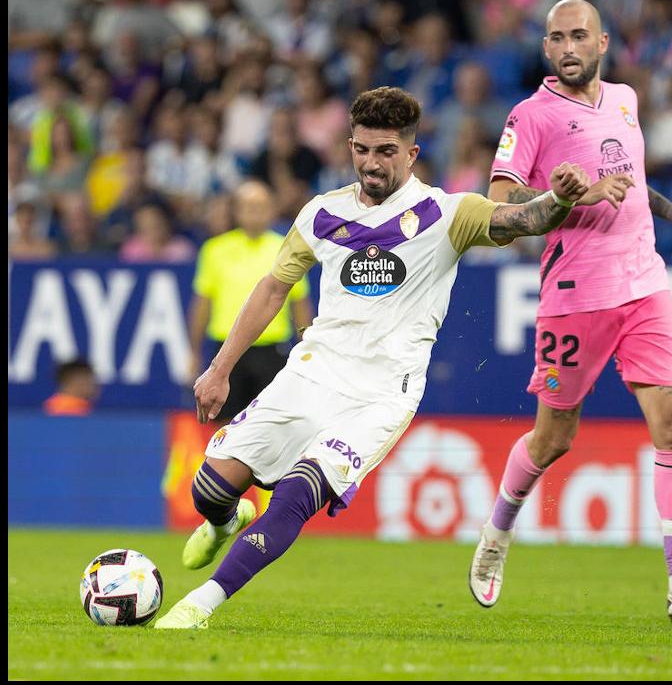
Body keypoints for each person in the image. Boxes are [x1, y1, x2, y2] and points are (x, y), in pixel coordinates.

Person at [153, 86, 590, 629]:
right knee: (210, 489)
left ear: (411, 153)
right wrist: (219, 369)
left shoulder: (448, 214)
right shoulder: (321, 214)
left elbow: (524, 220)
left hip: (383, 392)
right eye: (362, 149)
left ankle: (199, 605)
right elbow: (272, 289)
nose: (371, 162)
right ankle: (224, 522)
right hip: (313, 372)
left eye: (385, 151)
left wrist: (561, 199)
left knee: (299, 493)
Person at [469, 0, 672, 623]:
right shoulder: (529, 116)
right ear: (545, 48)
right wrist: (567, 198)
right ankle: (497, 533)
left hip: (645, 282)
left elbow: (631, 176)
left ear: (603, 42)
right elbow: (500, 208)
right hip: (574, 296)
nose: (568, 47)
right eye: (557, 37)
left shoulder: (624, 99)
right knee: (554, 437)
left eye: (579, 36)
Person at [188, 180, 314, 425]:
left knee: (271, 424)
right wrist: (193, 351)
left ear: (272, 210)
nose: (254, 212)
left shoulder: (286, 248)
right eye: (248, 206)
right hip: (226, 350)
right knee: (223, 422)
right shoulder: (215, 249)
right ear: (236, 210)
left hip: (271, 349)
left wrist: (306, 349)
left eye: (260, 206)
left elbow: (300, 305)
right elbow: (202, 304)